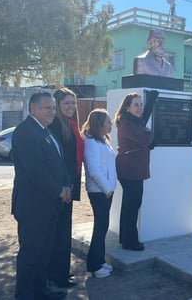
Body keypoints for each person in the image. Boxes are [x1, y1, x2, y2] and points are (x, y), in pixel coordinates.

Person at [12, 92, 70, 300]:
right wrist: (59, 190)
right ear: (33, 109)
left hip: (49, 206)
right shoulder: (25, 132)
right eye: (47, 108)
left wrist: (66, 184)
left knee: (44, 254)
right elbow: (35, 170)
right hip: (33, 207)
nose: (52, 112)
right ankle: (25, 295)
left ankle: (40, 291)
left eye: (53, 108)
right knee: (31, 255)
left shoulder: (45, 132)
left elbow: (59, 164)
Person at [47, 87, 84, 288]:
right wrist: (64, 186)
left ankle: (61, 272)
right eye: (66, 103)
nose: (71, 107)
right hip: (62, 188)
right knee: (58, 233)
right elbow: (57, 161)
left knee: (64, 231)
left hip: (70, 184)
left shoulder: (70, 124)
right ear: (58, 105)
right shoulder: (54, 126)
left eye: (73, 103)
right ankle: (57, 276)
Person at [115, 92, 154, 251]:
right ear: (127, 107)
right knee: (133, 205)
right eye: (135, 105)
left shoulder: (136, 122)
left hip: (135, 169)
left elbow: (144, 139)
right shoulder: (126, 123)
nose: (139, 108)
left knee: (130, 205)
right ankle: (131, 241)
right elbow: (145, 140)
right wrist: (150, 132)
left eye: (140, 104)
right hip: (129, 170)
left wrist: (146, 132)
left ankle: (126, 239)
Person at [82, 109, 116, 278]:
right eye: (108, 122)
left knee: (103, 228)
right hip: (99, 192)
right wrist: (107, 188)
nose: (111, 124)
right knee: (100, 228)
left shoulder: (103, 140)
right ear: (99, 124)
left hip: (106, 191)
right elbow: (94, 170)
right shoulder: (91, 143)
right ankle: (94, 266)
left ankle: (100, 261)